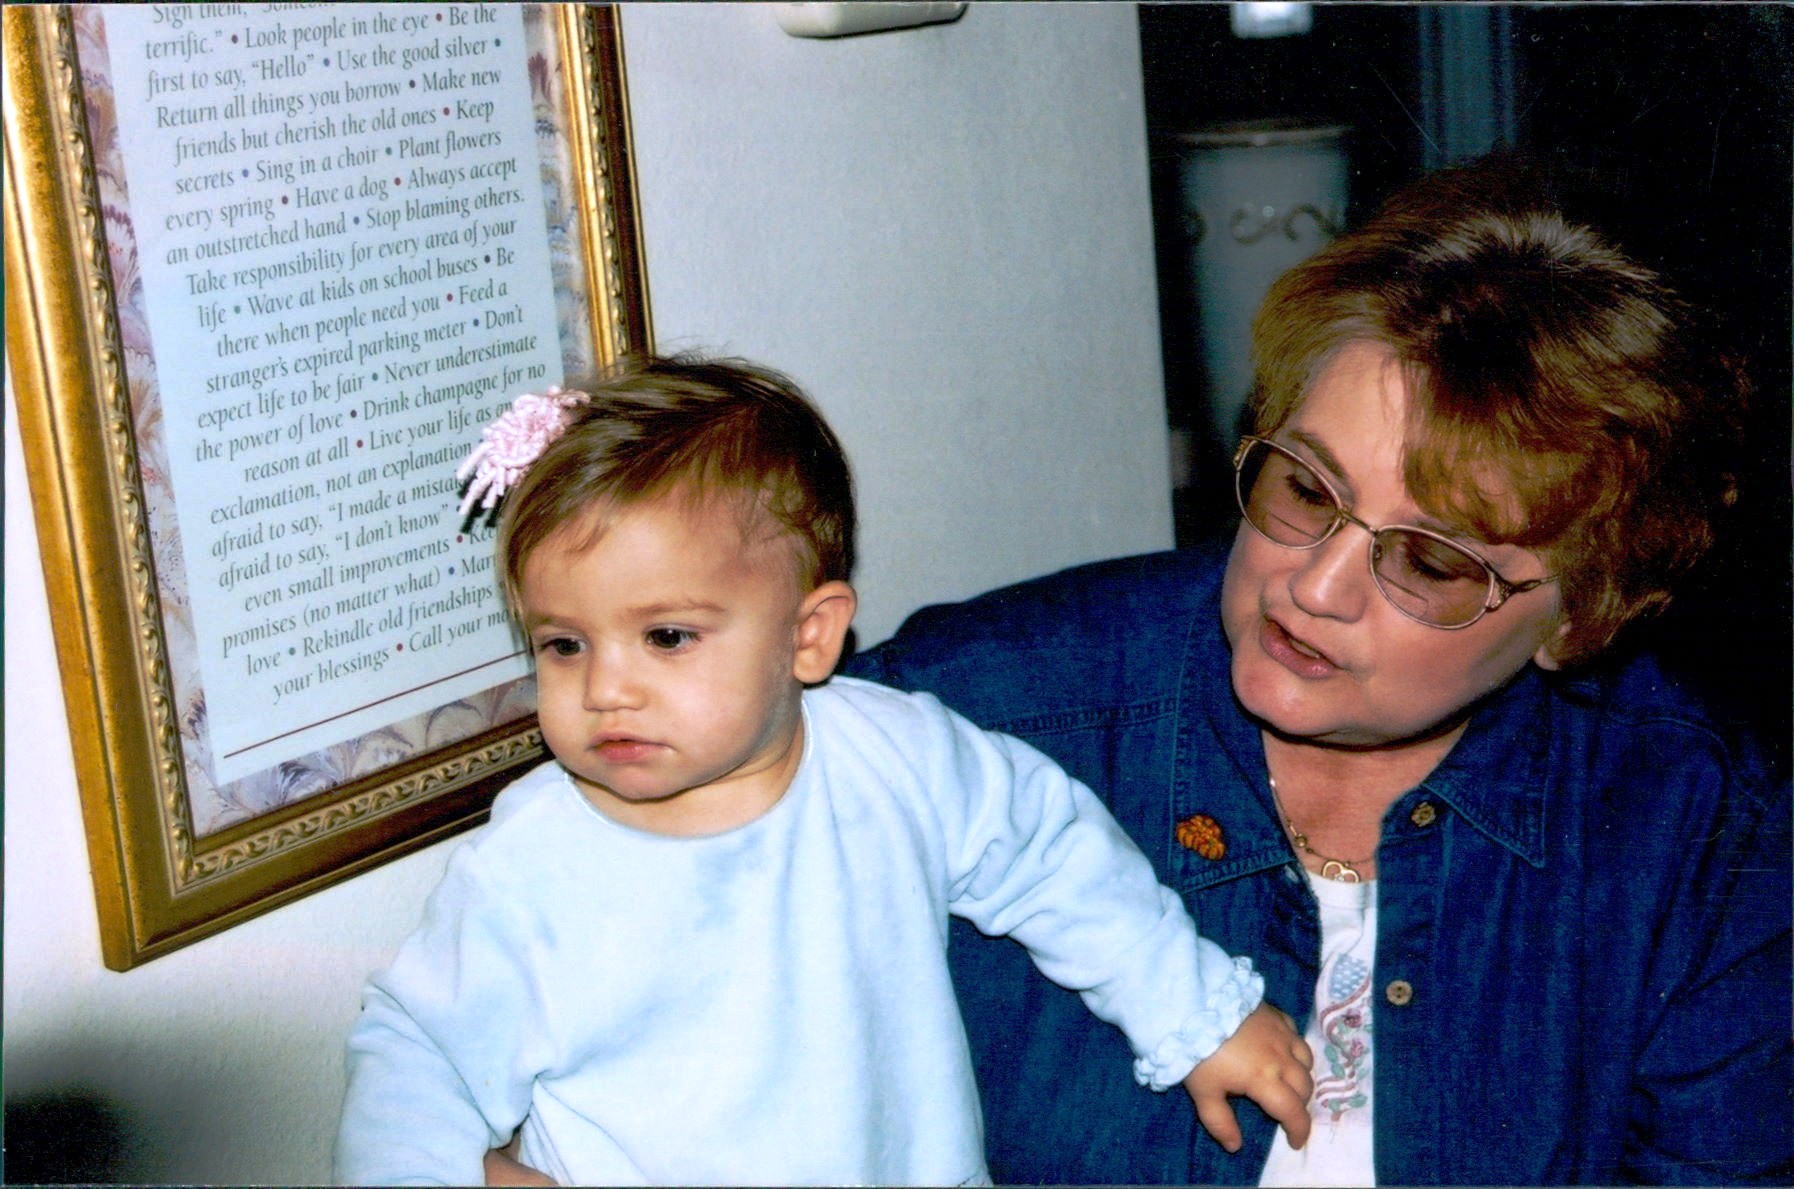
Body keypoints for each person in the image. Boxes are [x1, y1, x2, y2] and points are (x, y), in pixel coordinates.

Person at [848, 158, 1792, 1185]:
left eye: (1430, 561)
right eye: (1305, 488)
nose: (1314, 585)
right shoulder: (969, 716)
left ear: (1581, 617)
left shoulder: (1700, 835)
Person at [334, 356, 1313, 1187]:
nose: (605, 689)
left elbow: (1052, 854)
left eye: (665, 636)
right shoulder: (534, 862)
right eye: (564, 644)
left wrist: (1193, 1012)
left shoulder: (897, 757)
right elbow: (419, 1053)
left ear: (809, 635)